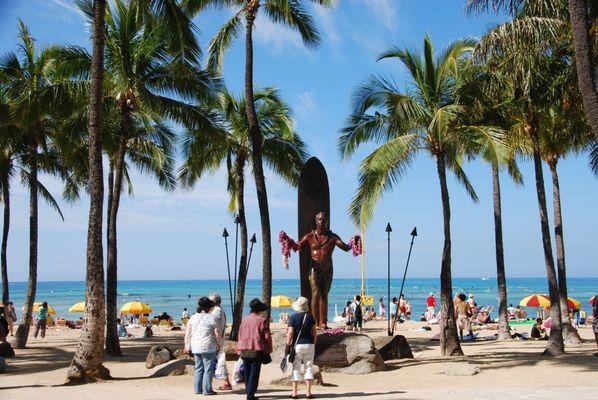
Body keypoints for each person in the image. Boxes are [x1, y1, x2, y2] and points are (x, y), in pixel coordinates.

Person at [237, 298, 272, 400]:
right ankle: (250, 395)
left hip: (244, 348)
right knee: (254, 373)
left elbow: (240, 334)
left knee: (247, 372)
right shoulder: (262, 320)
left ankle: (249, 392)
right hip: (256, 348)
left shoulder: (244, 319)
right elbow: (267, 336)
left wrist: (239, 348)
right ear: (259, 309)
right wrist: (269, 348)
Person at [185, 297, 219, 396]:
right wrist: (219, 344)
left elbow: (188, 333)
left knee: (198, 368)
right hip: (208, 346)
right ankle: (207, 390)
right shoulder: (212, 318)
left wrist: (187, 346)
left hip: (195, 346)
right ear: (209, 308)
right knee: (208, 369)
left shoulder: (193, 317)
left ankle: (197, 389)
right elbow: (217, 334)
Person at [286, 297, 317, 399]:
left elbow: (290, 333)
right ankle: (308, 393)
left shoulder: (293, 318)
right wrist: (314, 343)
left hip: (297, 345)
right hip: (309, 344)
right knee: (309, 367)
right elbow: (314, 332)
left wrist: (287, 345)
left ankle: (294, 393)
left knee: (296, 368)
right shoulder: (310, 317)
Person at [209, 293, 233, 391]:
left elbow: (213, 327)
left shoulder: (216, 311)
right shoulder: (219, 310)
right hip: (218, 340)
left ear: (214, 302)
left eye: (210, 301)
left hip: (216, 341)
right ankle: (226, 382)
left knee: (213, 362)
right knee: (219, 362)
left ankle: (208, 385)